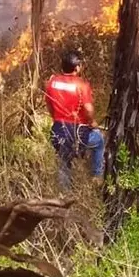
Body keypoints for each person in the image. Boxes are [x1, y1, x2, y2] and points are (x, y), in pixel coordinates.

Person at [44, 50, 105, 188]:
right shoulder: (82, 85)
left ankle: (64, 197)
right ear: (77, 67)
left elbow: (49, 103)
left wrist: (56, 118)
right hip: (78, 131)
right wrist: (92, 122)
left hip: (58, 129)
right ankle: (96, 177)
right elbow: (88, 109)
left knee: (64, 161)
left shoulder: (52, 82)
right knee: (99, 141)